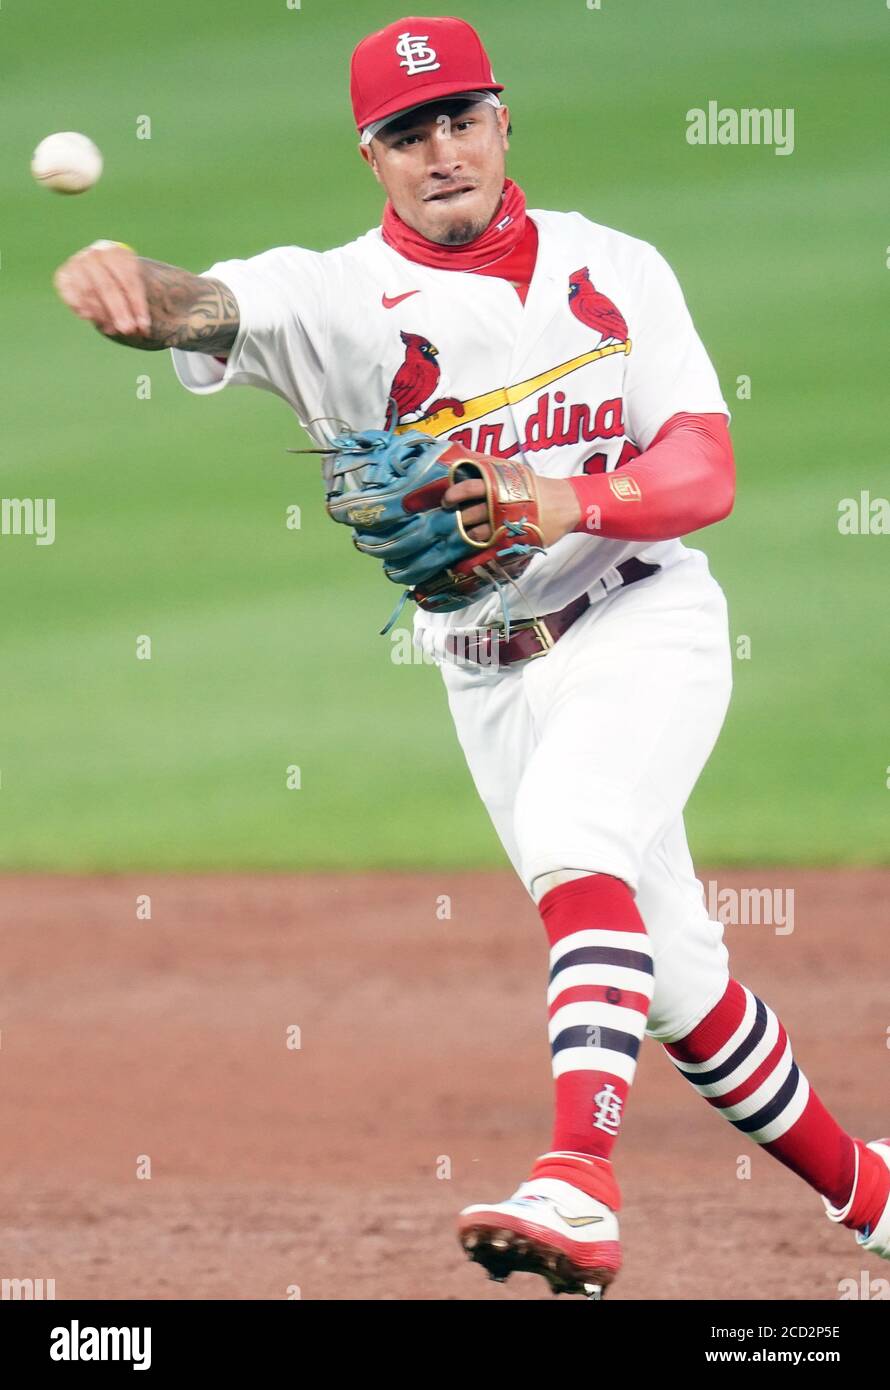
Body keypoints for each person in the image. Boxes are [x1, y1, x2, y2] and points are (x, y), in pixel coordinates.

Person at [53, 15, 890, 1299]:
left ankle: (578, 1178)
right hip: (487, 674)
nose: (439, 150)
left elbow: (704, 470)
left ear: (503, 121)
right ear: (369, 157)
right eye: (405, 133)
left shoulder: (614, 268)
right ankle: (875, 1197)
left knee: (574, 837)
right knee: (673, 985)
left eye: (458, 118)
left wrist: (560, 499)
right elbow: (207, 304)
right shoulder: (330, 300)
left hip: (642, 617)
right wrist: (135, 287)